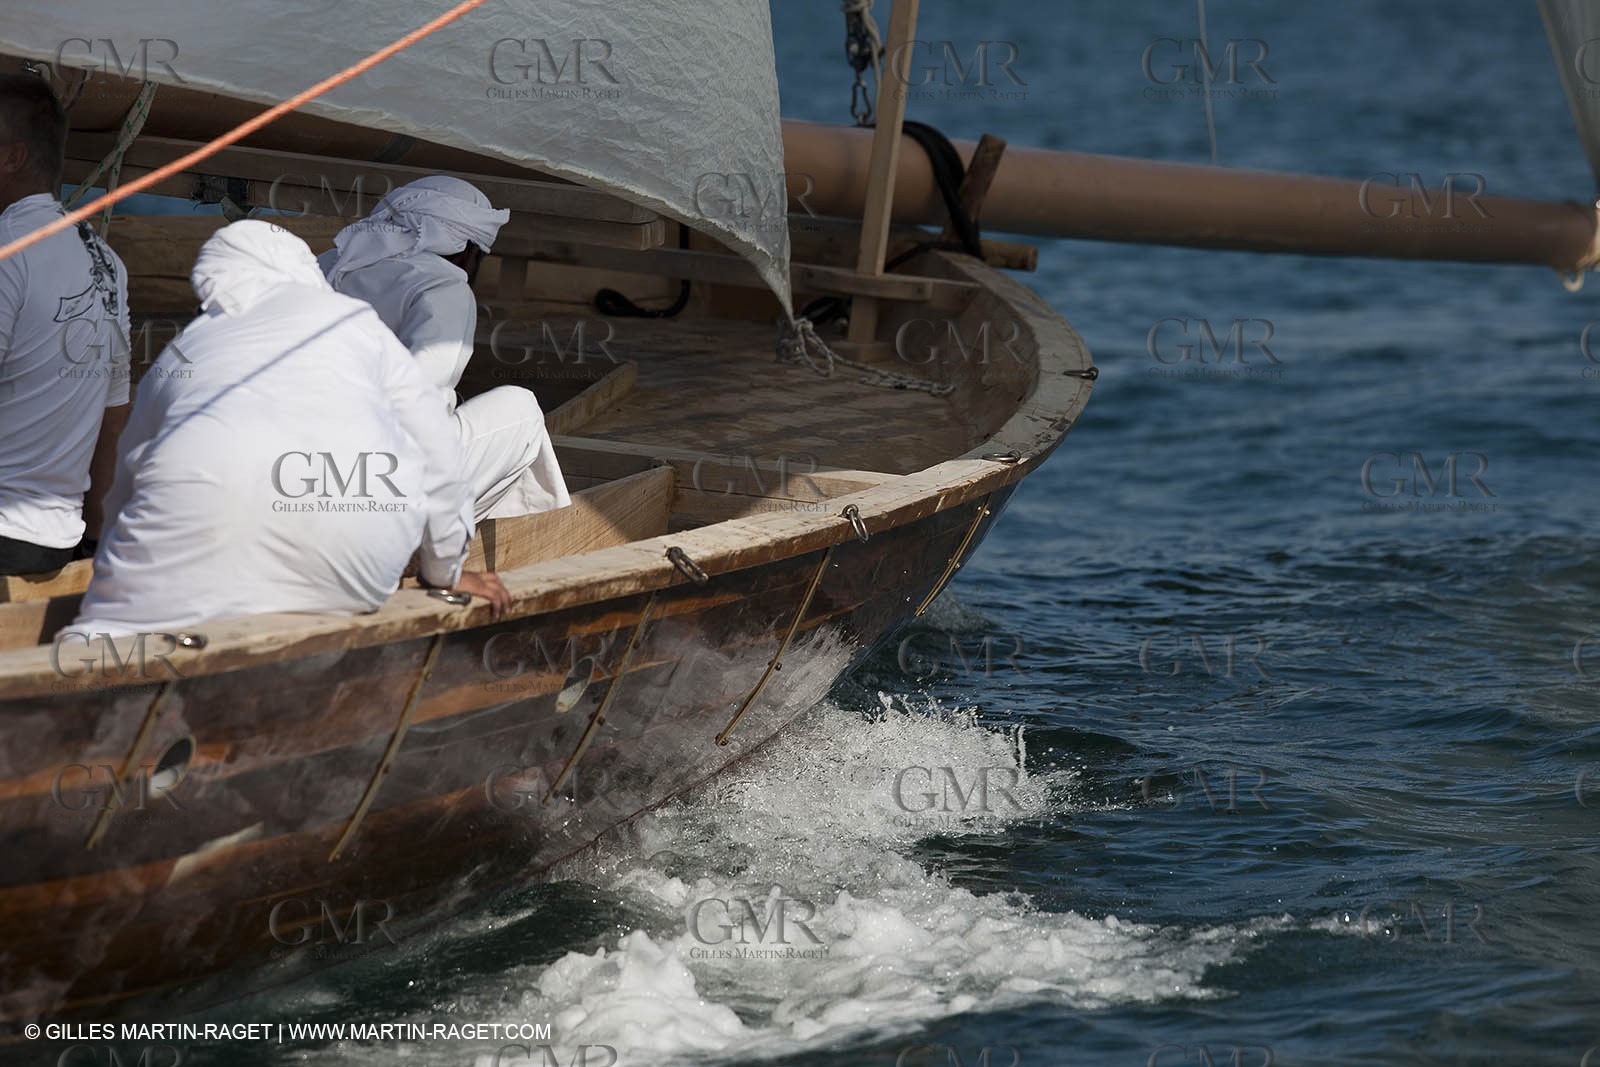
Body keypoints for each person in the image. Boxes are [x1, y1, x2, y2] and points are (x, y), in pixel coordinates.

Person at [67, 220, 509, 640]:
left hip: (195, 563)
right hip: (356, 573)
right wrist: (445, 573)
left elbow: (126, 475)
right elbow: (439, 458)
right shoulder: (362, 330)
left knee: (101, 638)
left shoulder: (187, 349)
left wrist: (108, 559)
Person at [320, 175, 570, 521]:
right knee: (521, 409)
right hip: (370, 488)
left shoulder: (328, 263)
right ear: (467, 251)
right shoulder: (442, 285)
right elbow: (420, 410)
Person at [0, 74, 129, 575]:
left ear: (11, 158)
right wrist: (95, 537)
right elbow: (112, 414)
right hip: (53, 540)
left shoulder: (10, 251)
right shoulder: (106, 260)